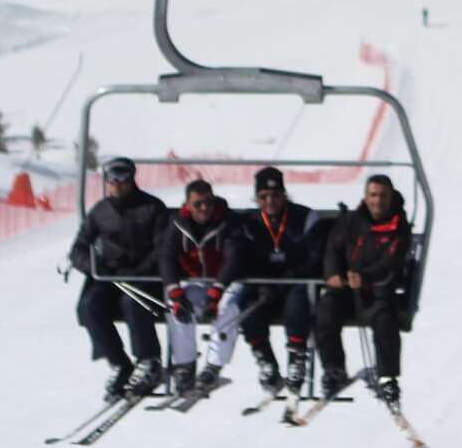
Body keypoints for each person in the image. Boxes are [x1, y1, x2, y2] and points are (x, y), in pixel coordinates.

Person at [70, 157, 169, 400]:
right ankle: (120, 363)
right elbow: (78, 249)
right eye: (112, 180)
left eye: (122, 179)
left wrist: (142, 271)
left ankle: (149, 361)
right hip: (110, 276)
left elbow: (163, 248)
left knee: (133, 303)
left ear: (132, 178)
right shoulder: (101, 211)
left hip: (145, 276)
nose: (117, 185)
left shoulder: (152, 207)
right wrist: (93, 266)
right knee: (90, 305)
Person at [315, 174, 413, 408]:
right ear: (366, 197)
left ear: (390, 198)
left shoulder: (398, 226)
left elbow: (392, 260)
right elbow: (334, 247)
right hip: (348, 288)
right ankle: (334, 368)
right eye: (373, 195)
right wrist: (333, 274)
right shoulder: (351, 221)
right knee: (325, 311)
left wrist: (366, 277)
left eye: (383, 196)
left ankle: (387, 377)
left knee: (384, 321)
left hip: (378, 289)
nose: (378, 201)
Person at [236, 166, 322, 398]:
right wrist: (260, 282)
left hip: (296, 281)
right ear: (257, 198)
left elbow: (316, 257)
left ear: (284, 195)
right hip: (264, 286)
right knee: (246, 302)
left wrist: (293, 276)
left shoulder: (304, 217)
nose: (271, 201)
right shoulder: (250, 222)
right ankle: (265, 359)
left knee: (297, 302)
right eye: (264, 197)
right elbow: (241, 257)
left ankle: (296, 357)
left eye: (276, 195)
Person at [157, 179, 246, 397]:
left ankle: (213, 366)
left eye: (208, 202)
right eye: (198, 204)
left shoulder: (227, 221)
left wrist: (217, 292)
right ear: (187, 205)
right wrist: (175, 291)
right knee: (177, 306)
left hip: (227, 282)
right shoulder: (177, 223)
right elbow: (166, 256)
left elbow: (233, 259)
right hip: (195, 281)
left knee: (226, 308)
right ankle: (185, 365)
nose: (204, 208)